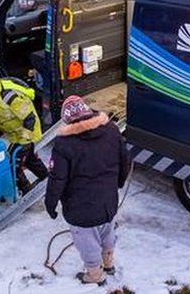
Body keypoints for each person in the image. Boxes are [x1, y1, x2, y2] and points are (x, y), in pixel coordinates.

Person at [45, 96, 131, 285]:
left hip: (80, 208)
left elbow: (57, 179)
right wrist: (118, 183)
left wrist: (50, 204)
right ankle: (108, 263)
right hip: (108, 201)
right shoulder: (111, 130)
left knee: (87, 242)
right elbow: (125, 160)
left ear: (67, 119)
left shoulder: (64, 145)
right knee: (107, 232)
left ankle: (95, 275)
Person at [0, 70, 47, 194]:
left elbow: (30, 118)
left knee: (12, 162)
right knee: (30, 159)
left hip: (27, 134)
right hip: (17, 133)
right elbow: (5, 117)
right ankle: (47, 177)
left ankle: (27, 192)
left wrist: (24, 142)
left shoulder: (9, 97)